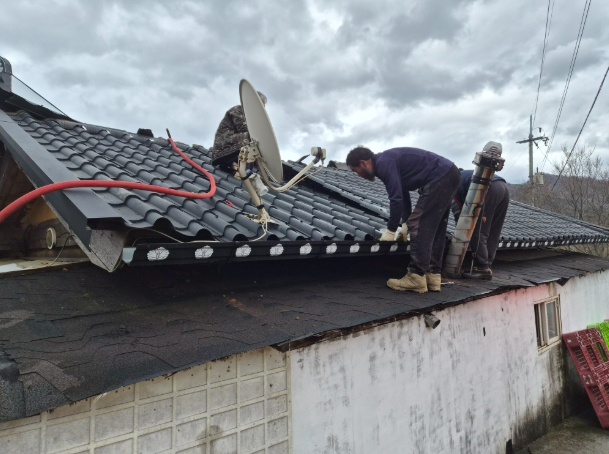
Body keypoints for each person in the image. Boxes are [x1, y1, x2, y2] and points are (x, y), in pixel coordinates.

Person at [347, 146, 461, 293]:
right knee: (435, 226)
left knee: (418, 224)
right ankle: (433, 275)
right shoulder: (387, 161)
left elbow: (396, 198)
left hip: (440, 176)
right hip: (450, 174)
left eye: (355, 171)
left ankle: (416, 276)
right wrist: (405, 222)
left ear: (363, 163)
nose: (358, 175)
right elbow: (402, 193)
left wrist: (391, 230)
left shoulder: (384, 163)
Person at [452, 169, 509, 279]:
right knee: (494, 230)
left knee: (475, 229)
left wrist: (460, 233)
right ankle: (487, 264)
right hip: (503, 187)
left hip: (487, 188)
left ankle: (482, 266)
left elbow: (459, 214)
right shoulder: (465, 175)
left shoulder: (453, 183)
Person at [211, 91, 268, 172]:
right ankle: (246, 171)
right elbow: (244, 128)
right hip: (222, 150)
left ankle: (246, 171)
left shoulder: (251, 118)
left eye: (263, 106)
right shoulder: (238, 110)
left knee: (255, 143)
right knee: (252, 138)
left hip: (235, 151)